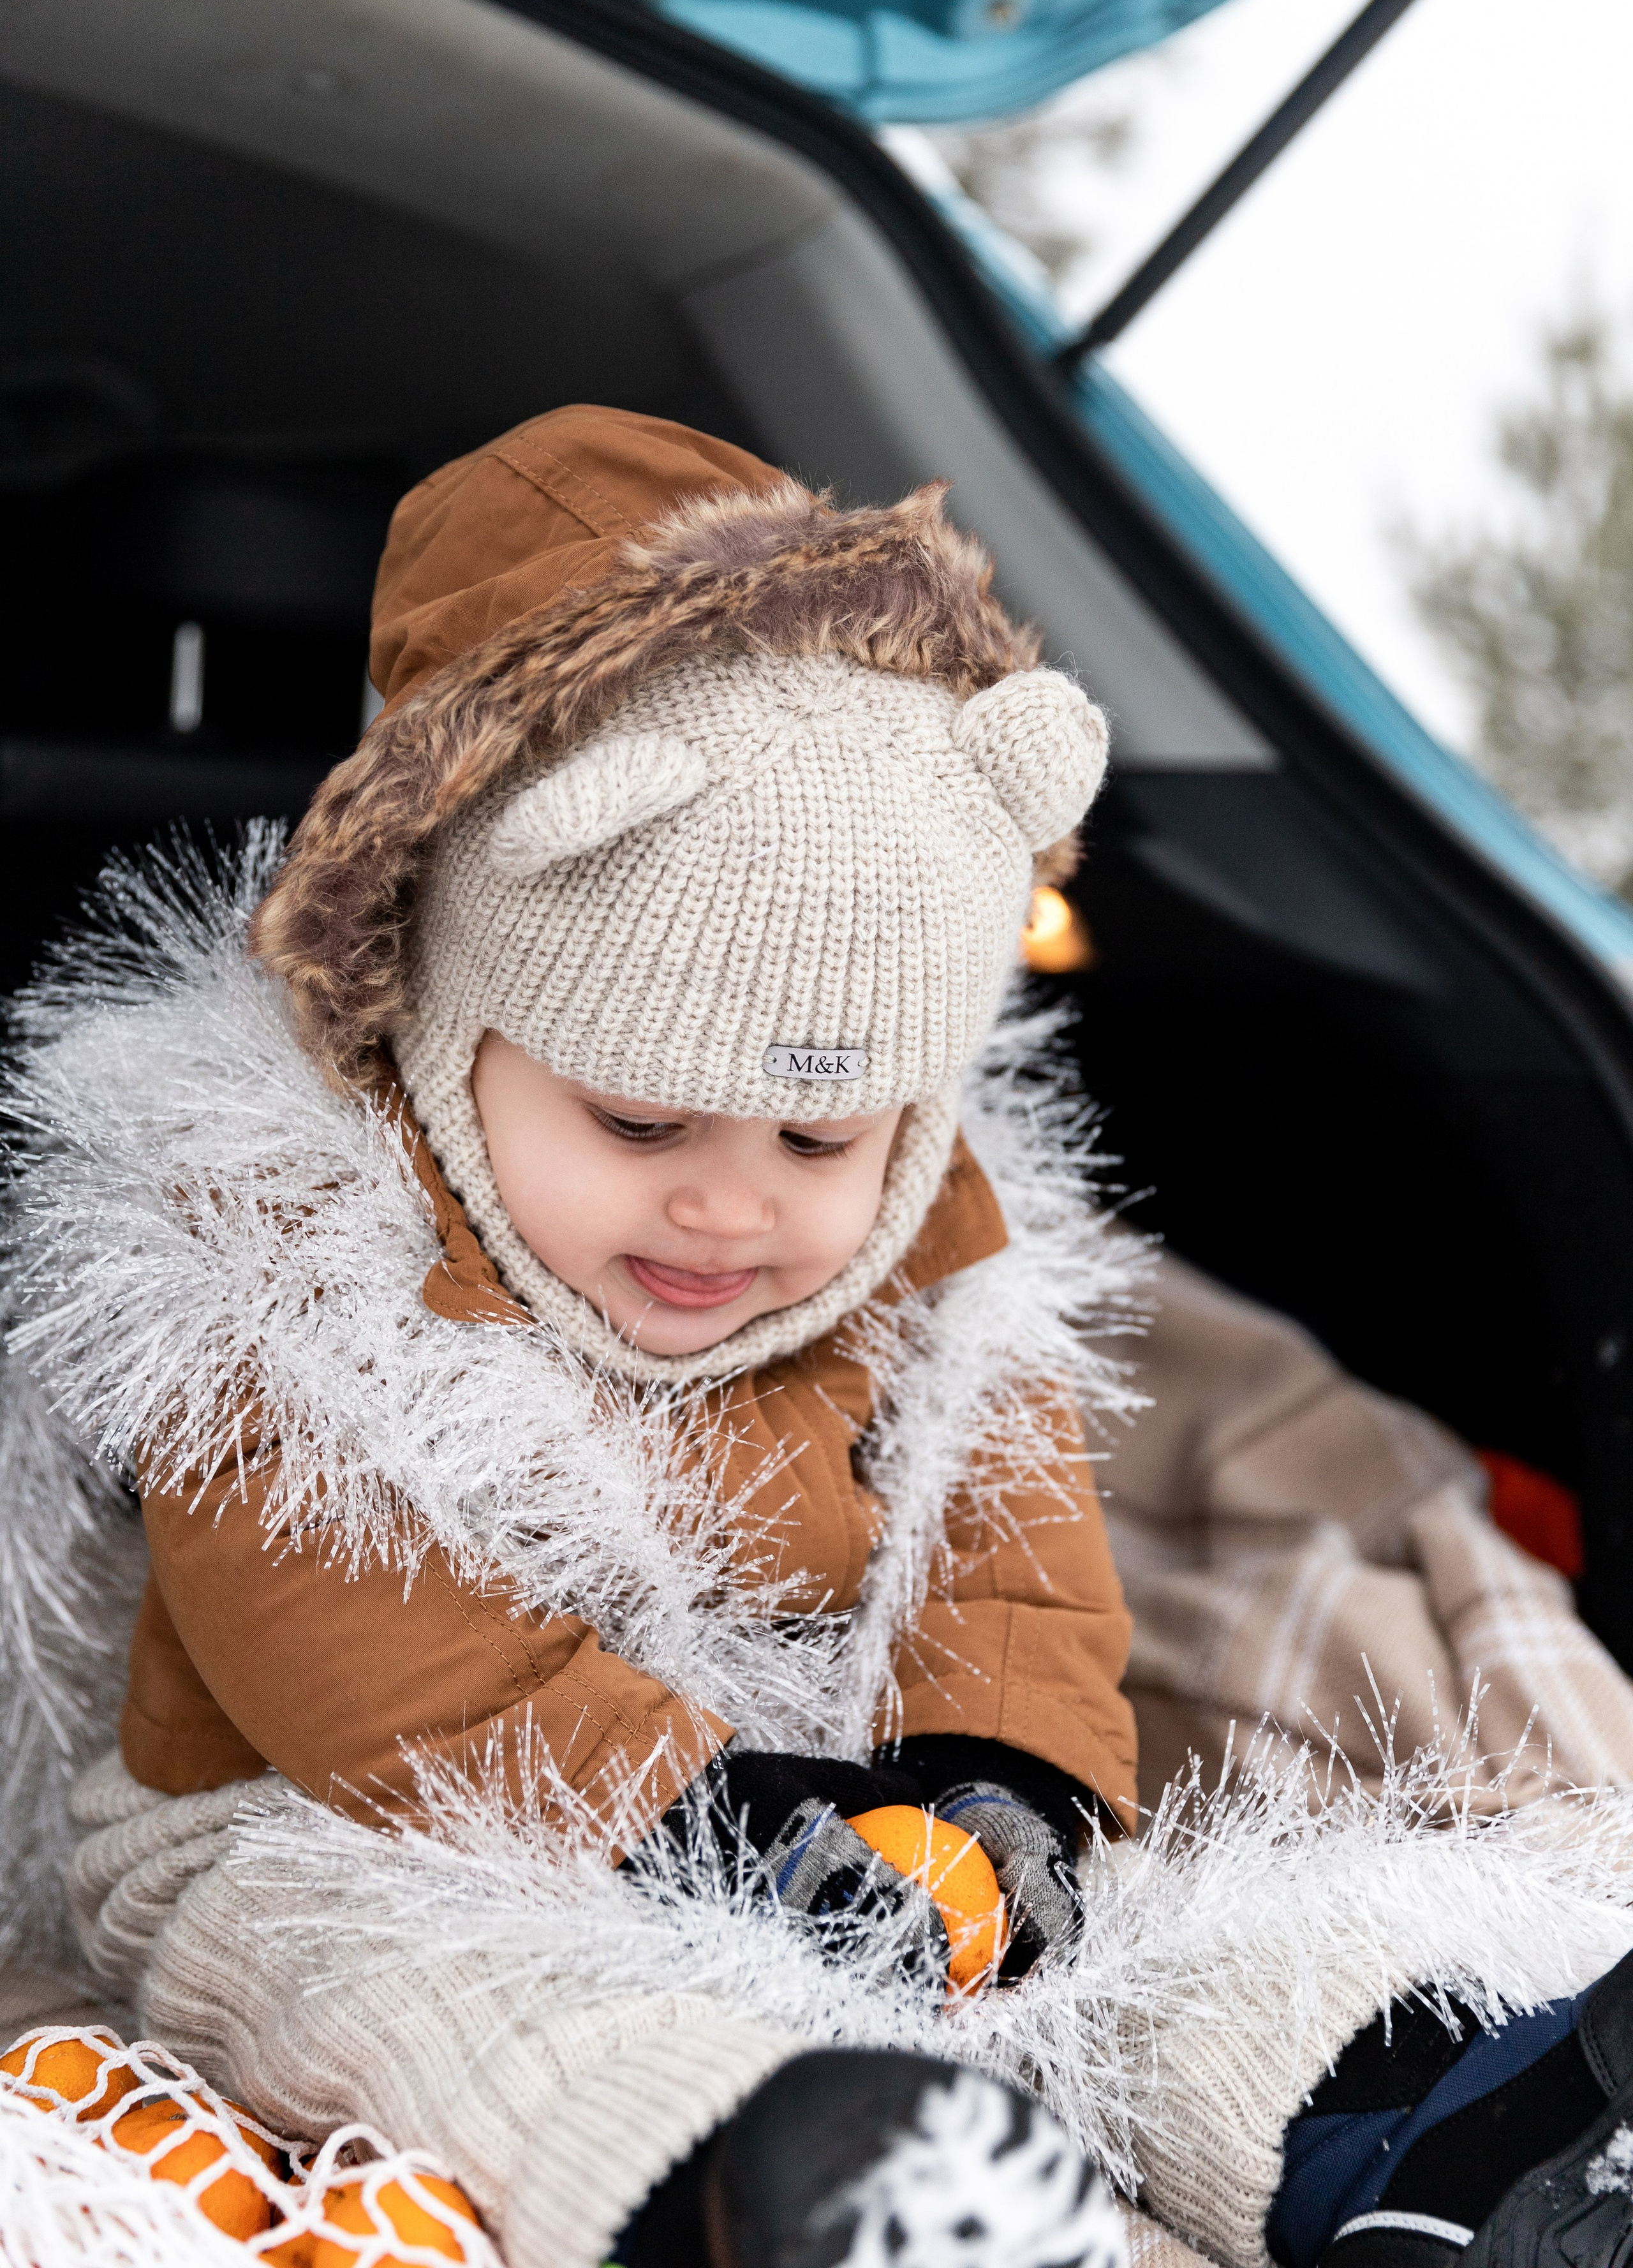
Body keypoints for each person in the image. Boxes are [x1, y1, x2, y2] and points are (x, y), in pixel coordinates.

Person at [3, 407, 1633, 2268]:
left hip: (835, 1828)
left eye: (818, 1140)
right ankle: (789, 2187)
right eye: (637, 1126)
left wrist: (992, 1790)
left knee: (1160, 1934)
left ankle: (1457, 2127)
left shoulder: (922, 1277)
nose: (727, 1210)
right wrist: (716, 1825)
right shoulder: (274, 1254)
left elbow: (1014, 1580)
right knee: (452, 1991)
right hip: (336, 1824)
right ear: (438, 1023)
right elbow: (362, 1667)